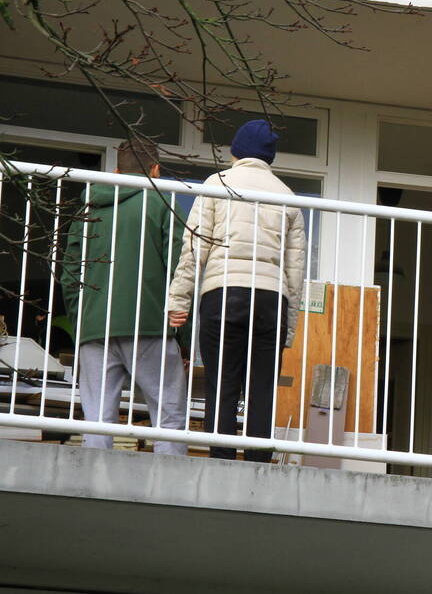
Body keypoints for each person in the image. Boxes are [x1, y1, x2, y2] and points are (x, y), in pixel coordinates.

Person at [167, 119, 306, 462]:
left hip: (223, 292)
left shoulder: (218, 183)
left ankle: (222, 463)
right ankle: (257, 464)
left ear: (236, 151)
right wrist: (288, 328)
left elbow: (194, 248)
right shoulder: (287, 196)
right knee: (262, 390)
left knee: (222, 384)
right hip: (271, 300)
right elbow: (295, 270)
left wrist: (178, 298)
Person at [61, 139, 189, 454]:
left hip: (94, 328)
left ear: (116, 171)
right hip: (147, 324)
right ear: (156, 170)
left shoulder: (87, 210)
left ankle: (93, 489)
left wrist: (83, 320)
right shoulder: (160, 203)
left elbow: (69, 274)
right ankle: (171, 494)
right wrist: (179, 328)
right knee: (168, 416)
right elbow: (180, 267)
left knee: (96, 420)